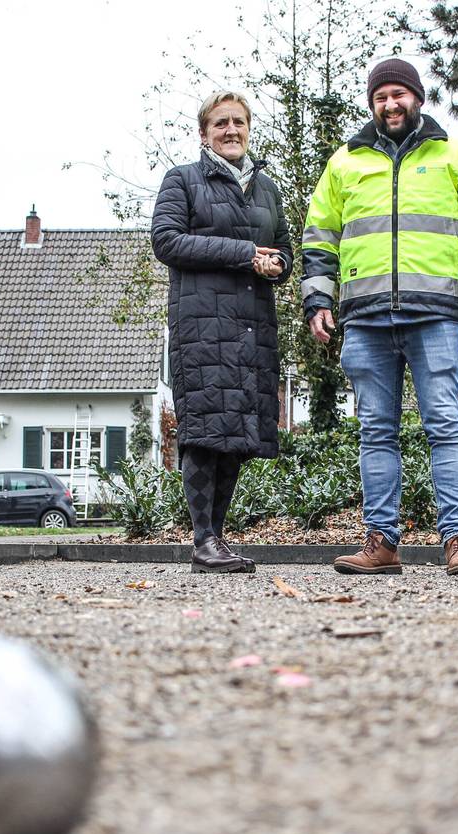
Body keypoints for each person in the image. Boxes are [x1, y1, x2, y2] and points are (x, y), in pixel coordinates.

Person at [302, 58, 458, 576]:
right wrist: (317, 300)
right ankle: (382, 543)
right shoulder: (345, 164)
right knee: (375, 431)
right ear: (371, 104)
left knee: (445, 424)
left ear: (416, 97)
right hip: (366, 317)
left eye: (398, 94)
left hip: (435, 314)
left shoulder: (455, 157)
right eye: (380, 97)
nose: (390, 104)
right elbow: (319, 239)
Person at [152, 90, 293, 573]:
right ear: (204, 133)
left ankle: (217, 540)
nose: (230, 130)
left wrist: (280, 264)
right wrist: (243, 254)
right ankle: (202, 539)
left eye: (238, 122)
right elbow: (166, 241)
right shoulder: (183, 181)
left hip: (252, 329)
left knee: (238, 436)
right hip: (202, 328)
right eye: (220, 123)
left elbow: (284, 246)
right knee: (204, 434)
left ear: (249, 128)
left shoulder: (268, 188)